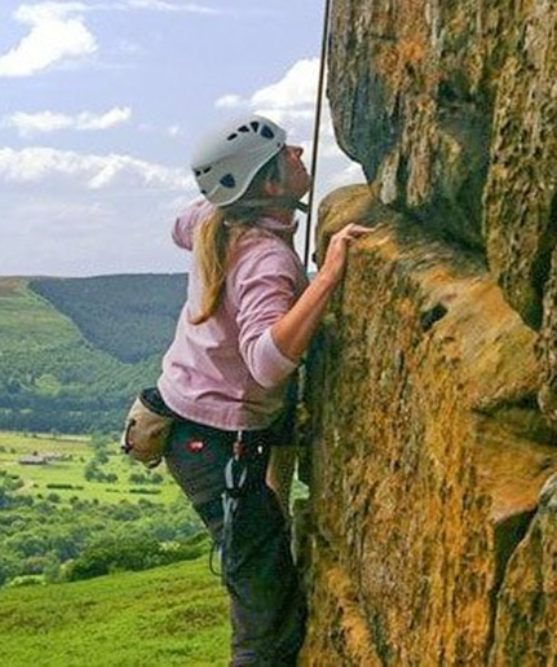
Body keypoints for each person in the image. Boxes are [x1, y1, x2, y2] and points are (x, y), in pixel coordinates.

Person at [155, 114, 372, 666]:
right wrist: (326, 278)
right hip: (219, 441)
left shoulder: (212, 220)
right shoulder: (265, 260)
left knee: (259, 589)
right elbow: (267, 363)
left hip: (194, 427)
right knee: (267, 622)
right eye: (285, 152)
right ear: (271, 185)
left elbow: (180, 225)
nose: (300, 150)